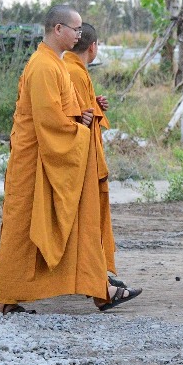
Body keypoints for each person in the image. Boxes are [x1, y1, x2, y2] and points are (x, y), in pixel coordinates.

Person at [0, 6, 140, 315]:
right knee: (23, 231)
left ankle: (101, 290)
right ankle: (5, 300)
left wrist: (85, 115)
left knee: (75, 227)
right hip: (37, 163)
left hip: (52, 160)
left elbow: (64, 112)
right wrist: (80, 130)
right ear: (58, 29)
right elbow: (50, 124)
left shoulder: (55, 63)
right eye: (76, 30)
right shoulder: (44, 66)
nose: (80, 36)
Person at [63, 22, 126, 287]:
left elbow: (78, 109)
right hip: (80, 159)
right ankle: (94, 280)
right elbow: (72, 117)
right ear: (93, 46)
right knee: (84, 221)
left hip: (83, 153)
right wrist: (89, 113)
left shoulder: (73, 70)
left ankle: (95, 276)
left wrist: (95, 106)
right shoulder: (73, 72)